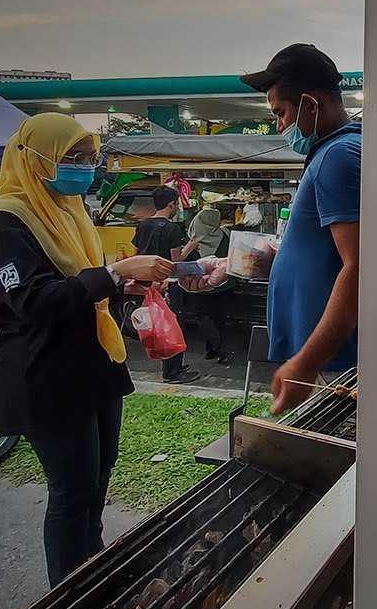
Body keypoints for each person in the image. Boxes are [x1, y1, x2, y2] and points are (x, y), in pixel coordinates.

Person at [0, 113, 173, 586]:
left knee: (96, 483)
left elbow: (78, 282)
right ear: (36, 158)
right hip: (46, 371)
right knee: (71, 492)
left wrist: (122, 283)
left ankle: (96, 569)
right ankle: (68, 597)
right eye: (74, 158)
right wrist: (114, 272)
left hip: (93, 365)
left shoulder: (67, 209)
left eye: (90, 158)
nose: (87, 167)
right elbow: (32, 300)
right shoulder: (7, 218)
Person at [194, 44, 360, 415]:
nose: (279, 126)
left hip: (333, 360)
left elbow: (360, 268)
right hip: (324, 357)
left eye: (281, 113)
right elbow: (321, 253)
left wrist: (308, 362)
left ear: (311, 105)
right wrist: (235, 265)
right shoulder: (330, 151)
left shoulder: (338, 157)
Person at [133, 185, 201, 383]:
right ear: (171, 204)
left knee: (158, 324)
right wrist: (191, 247)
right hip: (167, 284)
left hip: (147, 282)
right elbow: (176, 263)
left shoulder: (143, 225)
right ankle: (172, 372)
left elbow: (136, 255)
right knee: (172, 324)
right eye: (176, 204)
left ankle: (172, 364)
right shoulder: (172, 229)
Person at [185, 207, 231, 365]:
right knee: (219, 317)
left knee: (202, 316)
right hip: (224, 283)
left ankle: (217, 348)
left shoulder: (194, 239)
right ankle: (211, 350)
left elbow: (184, 261)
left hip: (202, 284)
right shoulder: (225, 234)